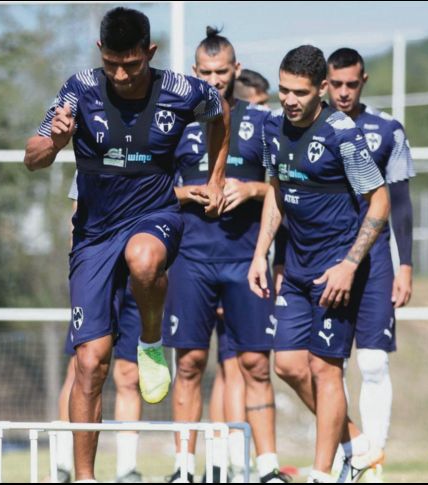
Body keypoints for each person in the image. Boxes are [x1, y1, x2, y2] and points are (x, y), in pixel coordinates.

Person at [23, 8, 229, 481]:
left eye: (131, 64)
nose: (121, 74)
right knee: (90, 363)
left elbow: (220, 111)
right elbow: (31, 157)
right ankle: (86, 476)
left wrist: (216, 179)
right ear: (101, 53)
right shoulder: (78, 89)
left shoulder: (183, 91)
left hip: (155, 215)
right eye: (112, 63)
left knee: (143, 259)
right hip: (94, 235)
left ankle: (151, 341)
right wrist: (54, 143)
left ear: (149, 53)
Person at [248, 45, 389, 483]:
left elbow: (379, 203)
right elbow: (275, 190)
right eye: (284, 90)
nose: (288, 100)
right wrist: (261, 253)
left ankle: (323, 473)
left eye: (299, 92)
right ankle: (357, 445)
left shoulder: (343, 134)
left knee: (325, 370)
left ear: (322, 90)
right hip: (294, 268)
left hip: (335, 271)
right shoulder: (274, 129)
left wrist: (349, 265)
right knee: (288, 364)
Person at [163, 27, 288, 484]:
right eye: (206, 73)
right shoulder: (175, 123)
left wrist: (252, 189)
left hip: (245, 261)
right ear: (194, 73)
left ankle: (268, 466)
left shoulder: (263, 123)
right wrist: (186, 192)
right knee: (191, 363)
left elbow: (284, 186)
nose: (214, 80)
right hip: (190, 261)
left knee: (256, 363)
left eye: (222, 72)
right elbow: (153, 191)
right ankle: (183, 467)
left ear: (236, 70)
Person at [326, 47, 415, 481]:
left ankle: (373, 461)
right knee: (330, 364)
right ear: (324, 83)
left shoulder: (387, 130)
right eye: (336, 84)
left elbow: (399, 204)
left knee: (374, 362)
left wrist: (407, 266)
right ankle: (348, 451)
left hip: (376, 259)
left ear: (364, 81)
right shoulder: (311, 127)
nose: (343, 92)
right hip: (325, 258)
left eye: (351, 84)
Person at [55, 174, 146, 484]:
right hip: (97, 277)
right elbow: (76, 217)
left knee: (128, 376)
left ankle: (127, 469)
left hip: (139, 280)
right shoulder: (91, 155)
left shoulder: (156, 150)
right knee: (81, 368)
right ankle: (63, 465)